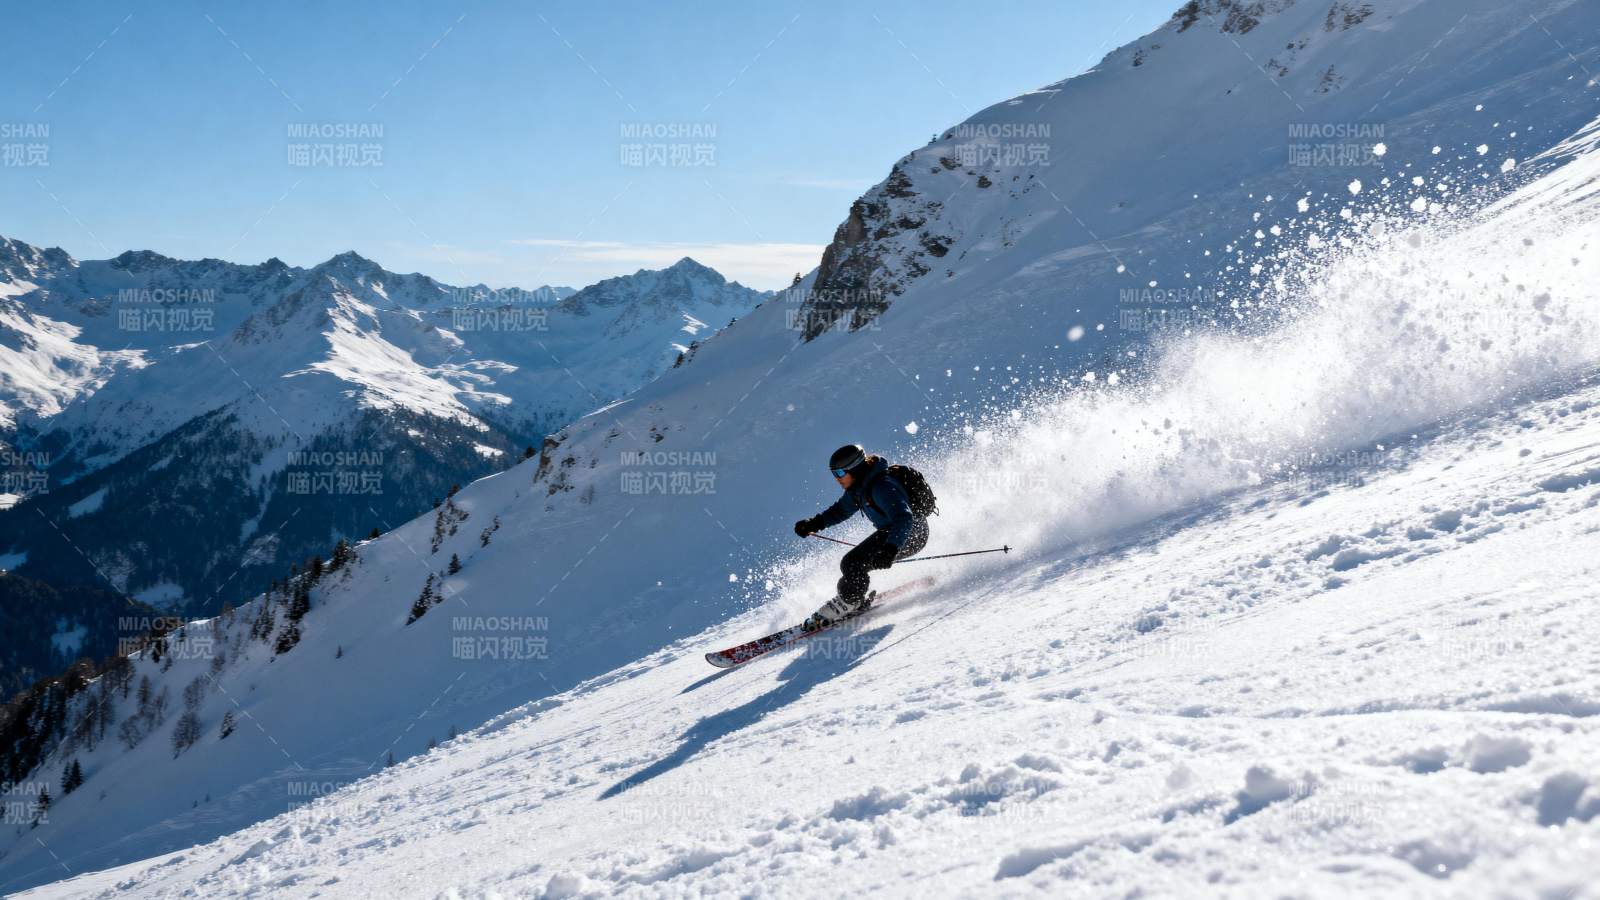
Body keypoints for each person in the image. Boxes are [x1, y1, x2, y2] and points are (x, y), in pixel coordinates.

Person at [794, 444, 930, 625]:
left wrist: (890, 549)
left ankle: (850, 602)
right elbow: (840, 511)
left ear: (854, 469)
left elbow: (904, 518)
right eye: (834, 474)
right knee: (853, 564)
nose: (837, 479)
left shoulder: (882, 487)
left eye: (840, 473)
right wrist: (813, 524)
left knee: (852, 563)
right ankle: (851, 599)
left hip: (911, 533)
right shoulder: (858, 490)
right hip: (895, 534)